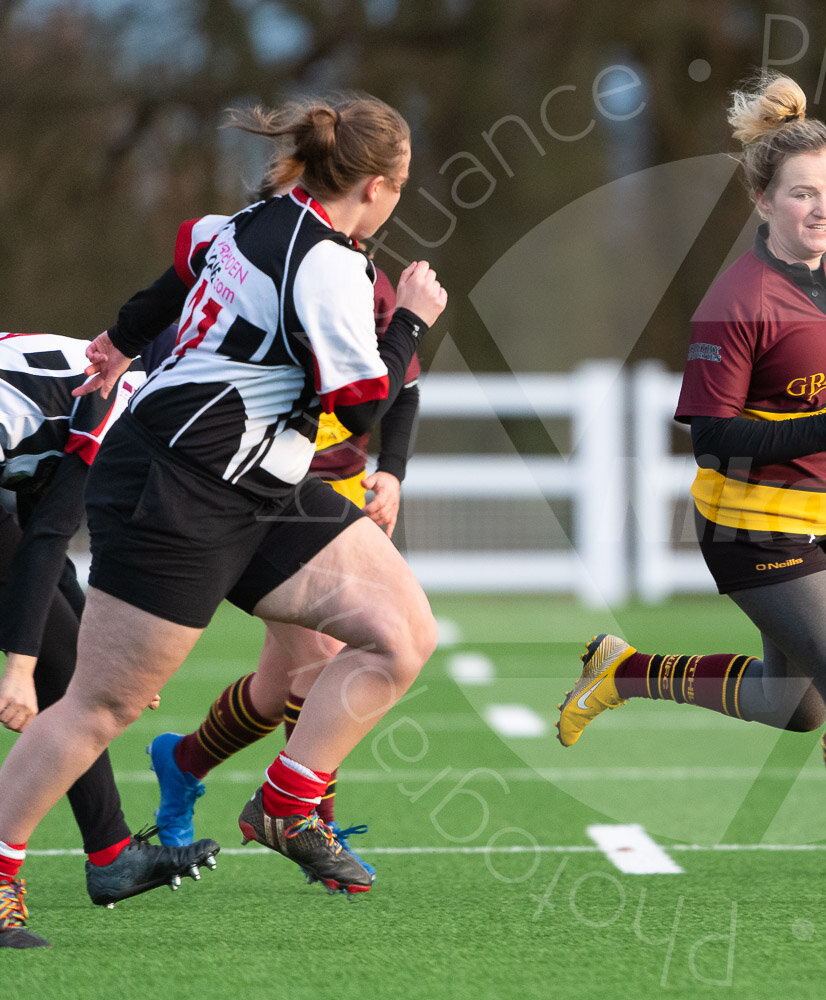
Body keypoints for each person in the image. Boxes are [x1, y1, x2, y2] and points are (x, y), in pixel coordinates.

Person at [0, 93, 446, 948]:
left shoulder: (248, 219)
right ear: (384, 186)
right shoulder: (327, 264)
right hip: (177, 486)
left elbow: (178, 268)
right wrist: (416, 316)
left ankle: (286, 803)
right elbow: (357, 410)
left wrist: (120, 339)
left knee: (399, 632)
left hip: (257, 481)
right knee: (99, 705)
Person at [556, 74, 826, 906]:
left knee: (791, 706)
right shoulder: (735, 304)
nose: (823, 209)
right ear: (763, 200)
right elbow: (712, 435)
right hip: (751, 527)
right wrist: (824, 427)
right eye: (803, 195)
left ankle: (621, 671)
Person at [146, 175, 423, 880]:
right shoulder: (249, 260)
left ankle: (182, 763)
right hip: (260, 487)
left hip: (332, 493)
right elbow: (178, 353)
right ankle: (307, 820)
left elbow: (404, 386)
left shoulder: (362, 275)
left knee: (281, 687)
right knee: (324, 660)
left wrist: (392, 469)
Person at [0, 335, 220, 949]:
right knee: (60, 671)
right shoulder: (125, 396)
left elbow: (42, 536)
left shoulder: (126, 377)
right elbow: (46, 535)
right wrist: (20, 667)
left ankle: (112, 855)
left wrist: (101, 659)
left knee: (72, 677)